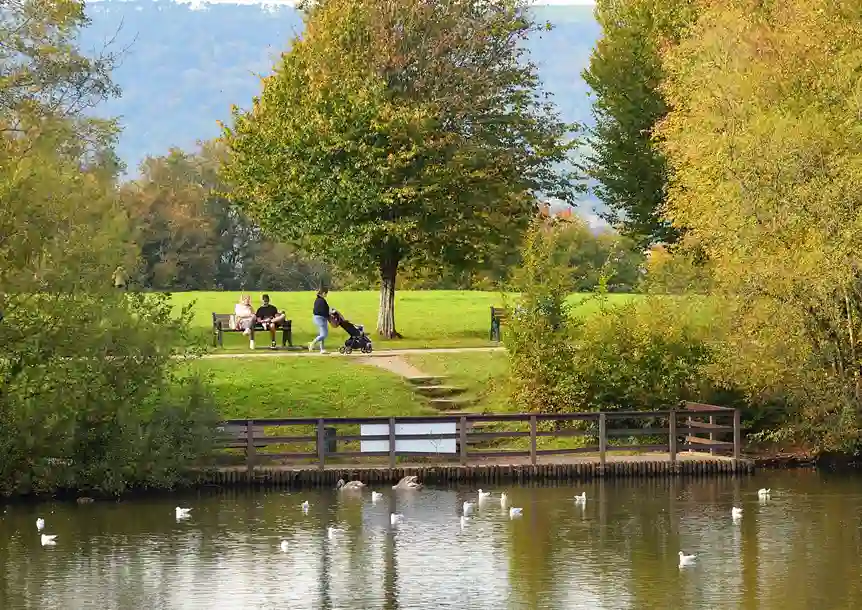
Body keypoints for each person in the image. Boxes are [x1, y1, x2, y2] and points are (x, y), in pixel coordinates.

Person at [309, 289, 330, 354]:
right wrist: (328, 315)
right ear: (323, 293)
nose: (326, 295)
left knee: (321, 334)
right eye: (326, 293)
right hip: (321, 318)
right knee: (324, 334)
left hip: (317, 318)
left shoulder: (317, 300)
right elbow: (323, 310)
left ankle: (322, 349)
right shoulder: (321, 301)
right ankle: (312, 343)